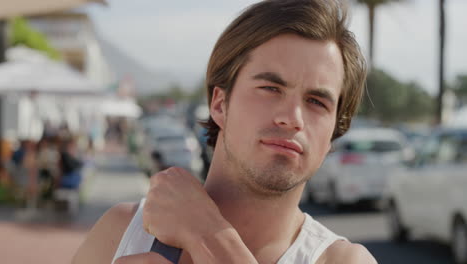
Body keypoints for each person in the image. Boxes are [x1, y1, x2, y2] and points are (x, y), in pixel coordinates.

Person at [72, 0, 376, 263]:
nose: (292, 117)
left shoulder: (342, 260)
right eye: (270, 88)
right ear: (219, 104)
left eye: (316, 101)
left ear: (334, 132)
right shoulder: (122, 235)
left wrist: (208, 235)